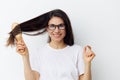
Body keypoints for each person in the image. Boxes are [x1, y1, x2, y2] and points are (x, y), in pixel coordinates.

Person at [6, 9, 95, 80]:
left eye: (61, 26)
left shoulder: (77, 51)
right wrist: (25, 57)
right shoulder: (39, 52)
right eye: (52, 26)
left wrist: (87, 63)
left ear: (66, 27)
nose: (56, 30)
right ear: (47, 28)